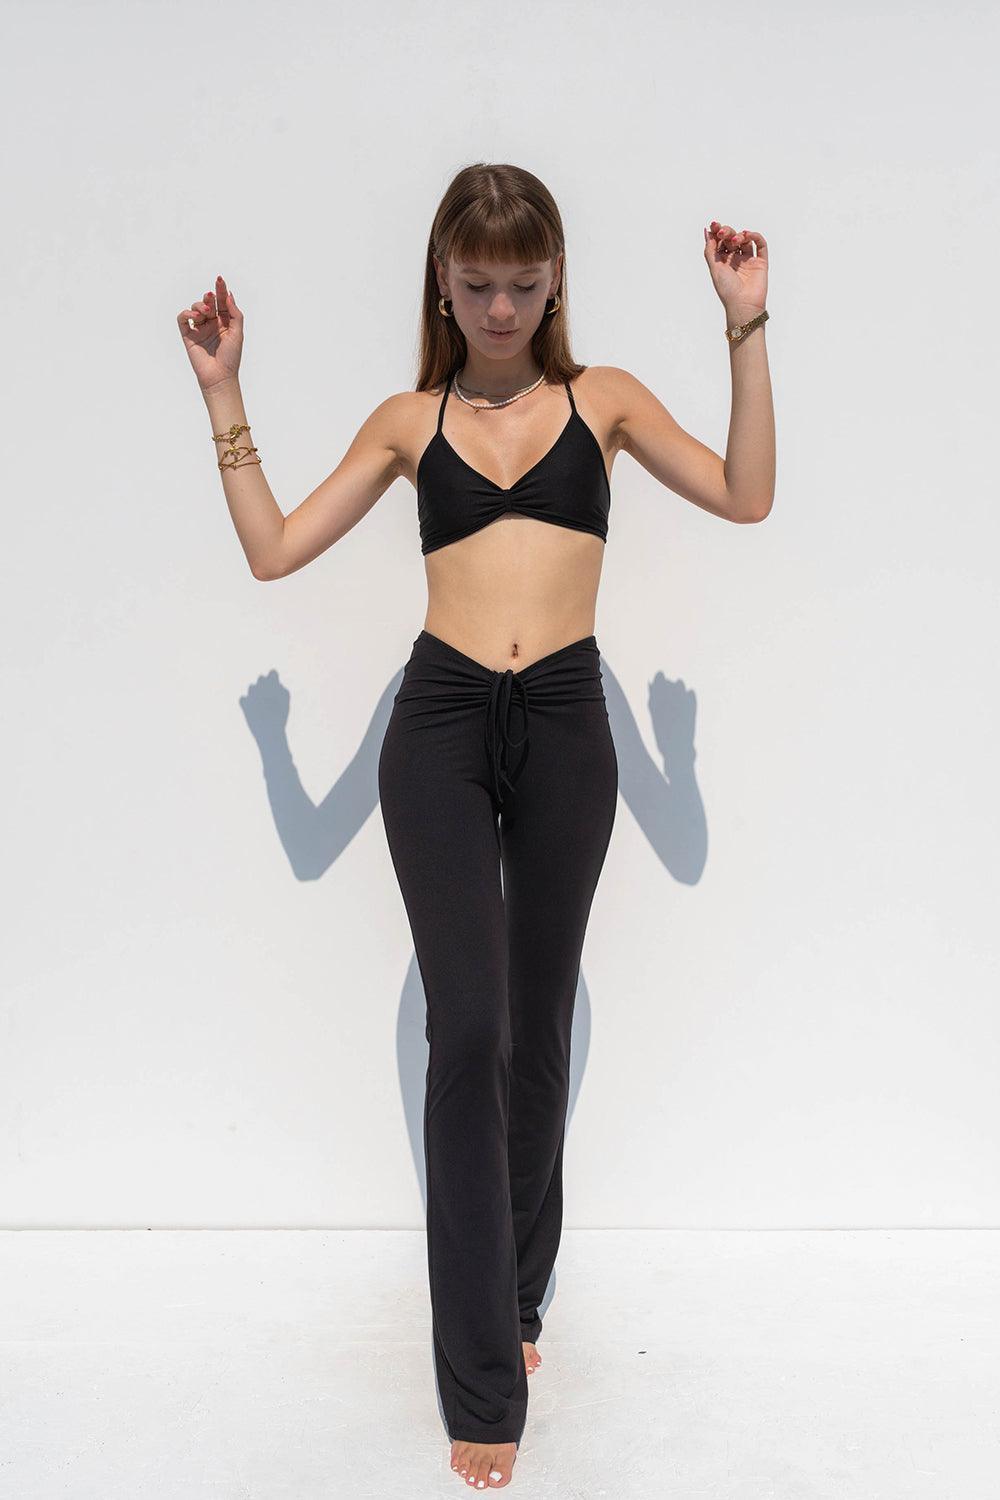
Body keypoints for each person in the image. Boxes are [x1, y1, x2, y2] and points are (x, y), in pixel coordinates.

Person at [177, 161, 774, 1492]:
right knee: (473, 1032)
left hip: (565, 718)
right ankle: (482, 1386)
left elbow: (747, 494)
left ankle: (517, 1294)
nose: (500, 307)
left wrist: (744, 323)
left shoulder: (604, 402)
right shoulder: (410, 421)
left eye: (523, 282)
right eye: (477, 283)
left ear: (554, 282)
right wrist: (223, 394)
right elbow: (275, 551)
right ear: (442, 285)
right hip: (441, 723)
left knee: (539, 1026)